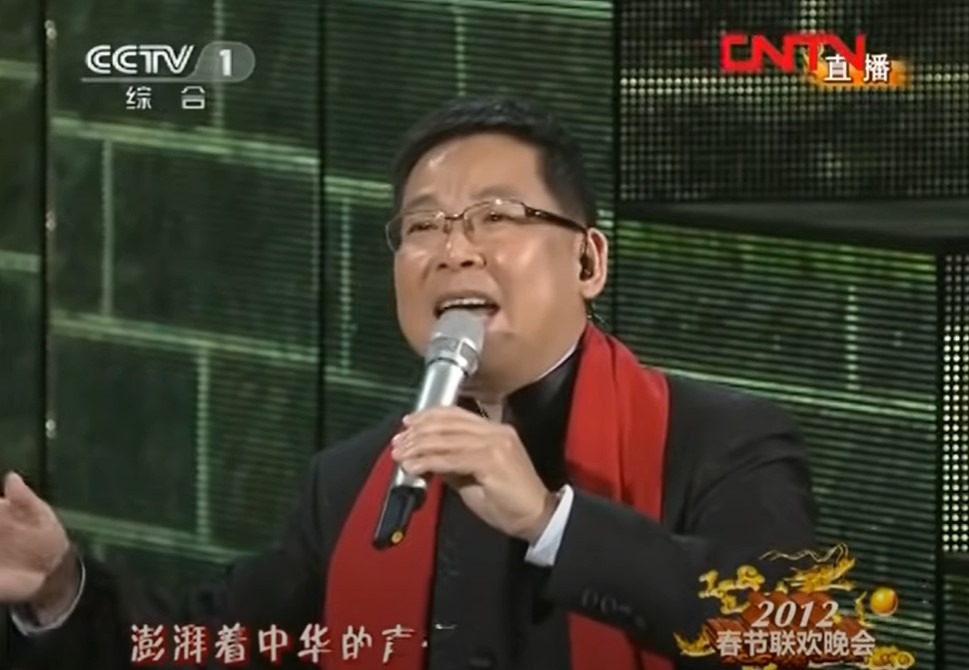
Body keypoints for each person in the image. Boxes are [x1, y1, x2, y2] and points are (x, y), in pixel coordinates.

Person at [0, 96, 817, 670]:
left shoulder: (723, 444)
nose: (453, 249)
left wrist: (549, 522)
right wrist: (61, 587)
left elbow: (786, 637)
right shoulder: (356, 481)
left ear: (587, 260)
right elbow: (218, 647)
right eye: (422, 225)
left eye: (496, 216)